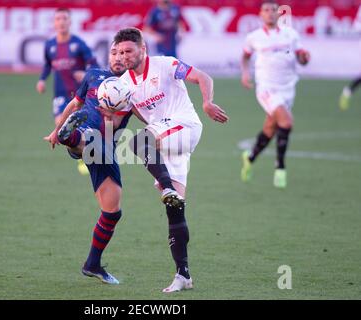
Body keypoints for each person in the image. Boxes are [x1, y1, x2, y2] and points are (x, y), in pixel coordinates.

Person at [111, 27, 229, 293]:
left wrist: (208, 102)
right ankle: (183, 275)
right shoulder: (124, 85)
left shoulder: (165, 64)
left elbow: (202, 76)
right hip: (166, 139)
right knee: (175, 210)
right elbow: (131, 117)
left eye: (129, 50)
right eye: (119, 52)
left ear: (143, 50)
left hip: (185, 126)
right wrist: (103, 118)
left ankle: (166, 187)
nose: (124, 56)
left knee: (138, 142)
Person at [43, 43, 131, 285]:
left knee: (112, 212)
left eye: (123, 54)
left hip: (107, 148)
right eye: (114, 53)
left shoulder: (134, 87)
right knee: (88, 138)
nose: (118, 58)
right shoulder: (94, 76)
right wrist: (56, 130)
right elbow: (74, 104)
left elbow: (144, 116)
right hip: (88, 133)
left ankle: (92, 264)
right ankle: (69, 137)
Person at [240, 0, 310, 188]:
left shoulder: (291, 34)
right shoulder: (254, 37)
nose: (270, 13)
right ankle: (280, 167)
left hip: (288, 87)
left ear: (279, 14)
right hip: (267, 88)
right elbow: (245, 56)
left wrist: (304, 58)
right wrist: (245, 74)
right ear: (260, 15)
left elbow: (302, 59)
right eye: (266, 10)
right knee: (286, 122)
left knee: (271, 127)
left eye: (273, 10)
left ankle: (250, 157)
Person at [37, 7, 98, 175]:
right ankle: (80, 156)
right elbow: (48, 64)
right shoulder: (50, 45)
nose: (61, 22)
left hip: (79, 93)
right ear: (54, 23)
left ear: (70, 22)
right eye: (58, 19)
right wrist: (42, 79)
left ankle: (85, 151)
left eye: (64, 18)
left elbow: (93, 62)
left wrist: (85, 75)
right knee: (61, 124)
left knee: (81, 124)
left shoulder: (78, 44)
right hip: (60, 93)